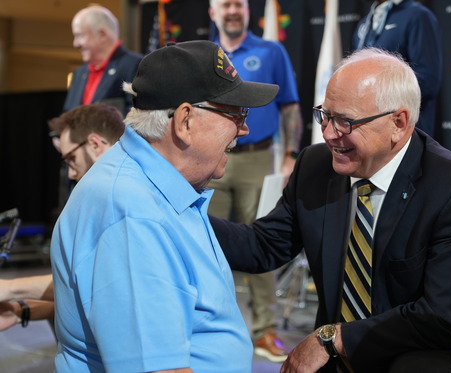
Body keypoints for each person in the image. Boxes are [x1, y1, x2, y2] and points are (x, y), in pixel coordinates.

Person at [210, 47, 451, 372]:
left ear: (399, 122)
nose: (327, 133)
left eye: (344, 122)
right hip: (343, 350)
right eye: (324, 115)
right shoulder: (315, 165)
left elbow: (443, 316)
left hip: (433, 347)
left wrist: (333, 339)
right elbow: (262, 246)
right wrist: (182, 212)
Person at [50, 40, 279, 372]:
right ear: (185, 120)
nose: (243, 129)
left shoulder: (155, 184)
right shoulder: (133, 213)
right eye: (235, 113)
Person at [208, 0, 303, 362]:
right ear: (212, 12)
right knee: (207, 242)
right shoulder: (206, 54)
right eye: (225, 4)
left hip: (258, 159)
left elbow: (290, 106)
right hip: (211, 155)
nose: (232, 10)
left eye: (239, 4)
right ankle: (213, 326)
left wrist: (291, 155)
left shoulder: (271, 50)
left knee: (262, 240)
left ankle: (264, 331)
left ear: (249, 11)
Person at [0, 103, 125, 332]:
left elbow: (101, 287)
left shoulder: (123, 200)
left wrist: (10, 288)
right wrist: (21, 311)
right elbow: (88, 298)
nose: (70, 172)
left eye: (70, 158)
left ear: (95, 144)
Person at [352, 0, 442, 137]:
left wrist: (373, 97)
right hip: (366, 133)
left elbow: (427, 81)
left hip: (404, 134)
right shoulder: (364, 24)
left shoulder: (417, 16)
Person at [64, 5, 142, 116]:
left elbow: (137, 116)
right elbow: (67, 114)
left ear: (102, 35)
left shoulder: (135, 65)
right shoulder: (79, 74)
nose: (75, 44)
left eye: (80, 36)